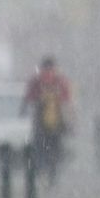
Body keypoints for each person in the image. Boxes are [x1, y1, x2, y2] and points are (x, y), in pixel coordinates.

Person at [22, 57, 73, 187]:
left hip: (40, 124)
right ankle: (52, 176)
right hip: (57, 124)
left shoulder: (36, 81)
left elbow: (28, 99)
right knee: (54, 152)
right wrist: (70, 123)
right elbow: (67, 103)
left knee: (40, 151)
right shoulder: (60, 81)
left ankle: (42, 173)